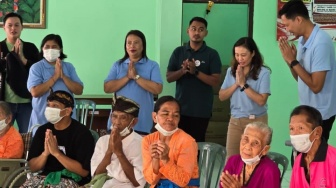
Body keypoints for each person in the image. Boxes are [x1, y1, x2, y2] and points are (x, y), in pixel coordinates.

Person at [278, 0, 336, 142]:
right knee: (300, 157)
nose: (287, 29)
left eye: (287, 25)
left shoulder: (320, 42)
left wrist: (293, 61)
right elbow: (301, 79)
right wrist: (289, 62)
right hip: (307, 111)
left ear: (298, 19)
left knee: (313, 160)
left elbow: (316, 86)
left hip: (320, 114)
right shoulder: (304, 40)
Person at [21, 90, 95, 187]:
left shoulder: (82, 133)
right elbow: (31, 167)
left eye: (55, 106)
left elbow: (84, 172)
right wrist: (45, 154)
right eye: (48, 105)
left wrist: (57, 153)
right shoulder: (42, 130)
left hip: (70, 180)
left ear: (68, 111)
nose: (49, 109)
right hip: (44, 178)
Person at [166, 16, 222, 142]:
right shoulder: (179, 52)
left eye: (201, 30)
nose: (197, 32)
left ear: (206, 33)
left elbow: (215, 81)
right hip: (180, 110)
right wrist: (183, 70)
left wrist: (195, 72)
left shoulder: (212, 54)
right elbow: (169, 77)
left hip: (201, 110)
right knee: (178, 144)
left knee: (196, 146)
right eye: (194, 29)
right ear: (188, 31)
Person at [219, 37, 270, 159]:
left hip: (256, 121)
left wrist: (243, 84)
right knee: (231, 159)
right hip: (235, 120)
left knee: (254, 159)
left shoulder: (263, 72)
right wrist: (236, 84)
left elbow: (261, 100)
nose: (240, 59)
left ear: (252, 53)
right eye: (237, 55)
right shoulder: (231, 71)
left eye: (243, 55)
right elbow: (221, 96)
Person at [104, 30, 163, 135]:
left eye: (136, 42)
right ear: (125, 46)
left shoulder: (152, 65)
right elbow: (107, 88)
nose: (132, 45)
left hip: (142, 122)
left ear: (143, 46)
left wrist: (136, 77)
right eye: (129, 42)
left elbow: (158, 89)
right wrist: (127, 77)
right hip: (118, 123)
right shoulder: (118, 65)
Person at [27, 34, 83, 131]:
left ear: (60, 49)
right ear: (42, 49)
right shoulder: (36, 67)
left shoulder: (68, 67)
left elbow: (79, 90)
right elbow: (35, 92)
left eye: (54, 47)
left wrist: (63, 76)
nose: (50, 50)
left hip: (66, 118)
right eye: (47, 47)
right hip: (42, 118)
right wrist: (55, 77)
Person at [142, 96, 199, 188]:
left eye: (176, 115)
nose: (170, 118)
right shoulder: (148, 140)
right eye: (165, 114)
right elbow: (150, 180)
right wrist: (155, 160)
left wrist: (165, 159)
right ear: (154, 117)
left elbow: (183, 180)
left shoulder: (187, 141)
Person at [88, 95, 146, 188]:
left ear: (134, 122)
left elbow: (138, 183)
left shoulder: (142, 143)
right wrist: (109, 151)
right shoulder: (103, 140)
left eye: (123, 118)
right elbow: (95, 175)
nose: (117, 122)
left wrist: (119, 153)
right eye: (114, 116)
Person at [0, 12, 39, 133]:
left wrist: (23, 59)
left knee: (27, 136)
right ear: (4, 27)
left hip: (26, 102)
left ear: (22, 27)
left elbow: (38, 70)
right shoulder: (0, 47)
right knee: (3, 136)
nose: (13, 28)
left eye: (17, 25)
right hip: (5, 102)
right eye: (10, 25)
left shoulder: (30, 48)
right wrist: (8, 59)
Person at [219, 122, 280, 188]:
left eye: (256, 143)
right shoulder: (233, 161)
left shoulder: (270, 170)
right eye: (245, 139)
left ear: (265, 150)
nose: (248, 147)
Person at [289, 105, 336, 187]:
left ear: (317, 132)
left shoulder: (334, 160)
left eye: (300, 128)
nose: (295, 134)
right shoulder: (298, 161)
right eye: (292, 129)